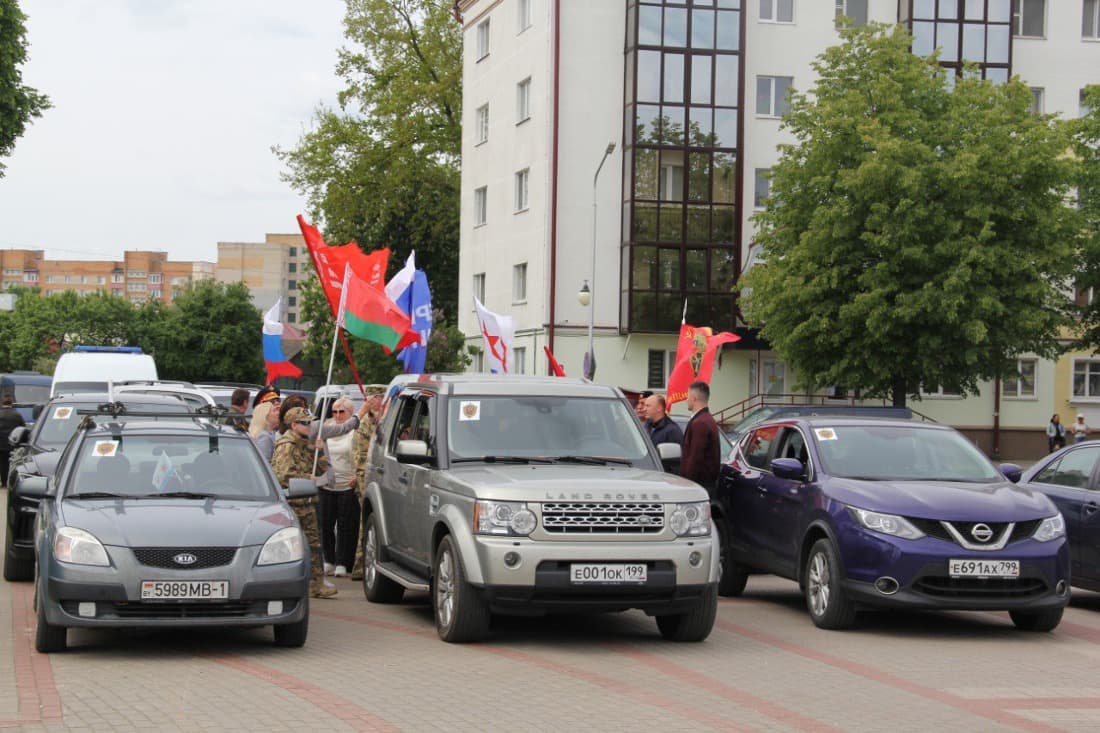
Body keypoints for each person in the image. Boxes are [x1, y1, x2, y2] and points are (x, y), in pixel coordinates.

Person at [271, 406, 336, 599]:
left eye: (310, 422)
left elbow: (320, 468)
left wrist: (319, 451)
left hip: (306, 503)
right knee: (287, 547)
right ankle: (280, 586)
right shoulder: (287, 445)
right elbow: (283, 476)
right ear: (293, 425)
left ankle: (317, 584)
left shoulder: (304, 443)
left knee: (315, 546)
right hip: (293, 504)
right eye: (305, 423)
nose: (309, 426)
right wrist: (308, 479)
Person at [317, 397, 360, 577]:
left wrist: (357, 475)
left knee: (346, 525)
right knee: (325, 524)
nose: (337, 415)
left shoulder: (354, 432)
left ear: (350, 413)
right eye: (334, 411)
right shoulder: (325, 428)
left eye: (341, 412)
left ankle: (343, 561)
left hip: (347, 484)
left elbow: (360, 454)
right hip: (326, 483)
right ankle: (328, 559)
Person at [351, 391, 385, 580]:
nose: (379, 401)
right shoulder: (365, 424)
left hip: (380, 477)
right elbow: (360, 456)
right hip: (368, 477)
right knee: (368, 522)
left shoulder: (382, 419)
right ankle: (360, 565)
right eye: (378, 398)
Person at [680, 380, 721, 494]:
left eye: (688, 396)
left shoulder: (700, 423)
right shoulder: (706, 419)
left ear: (694, 398)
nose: (686, 400)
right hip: (702, 485)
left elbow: (695, 457)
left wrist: (687, 485)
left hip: (698, 486)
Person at [0, 395, 26, 488]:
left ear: (2, 404)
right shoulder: (17, 415)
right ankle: (9, 482)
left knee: (2, 463)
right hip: (12, 443)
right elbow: (23, 427)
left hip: (1, 444)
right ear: (11, 404)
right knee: (12, 463)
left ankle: (3, 483)